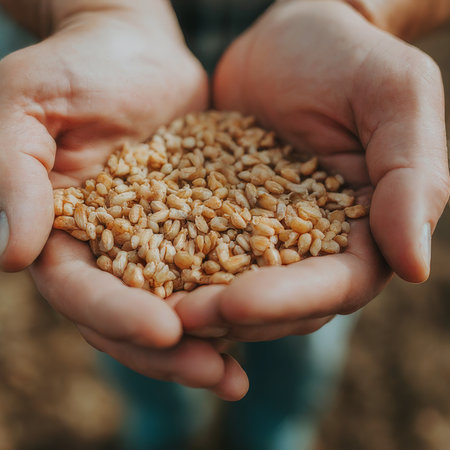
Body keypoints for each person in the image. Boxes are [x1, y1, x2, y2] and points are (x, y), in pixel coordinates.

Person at [0, 0, 449, 448]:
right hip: (102, 88)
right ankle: (163, 424)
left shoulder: (298, 201)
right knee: (137, 340)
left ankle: (273, 427)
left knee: (300, 340)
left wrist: (356, 11)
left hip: (313, 97)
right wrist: (93, 11)